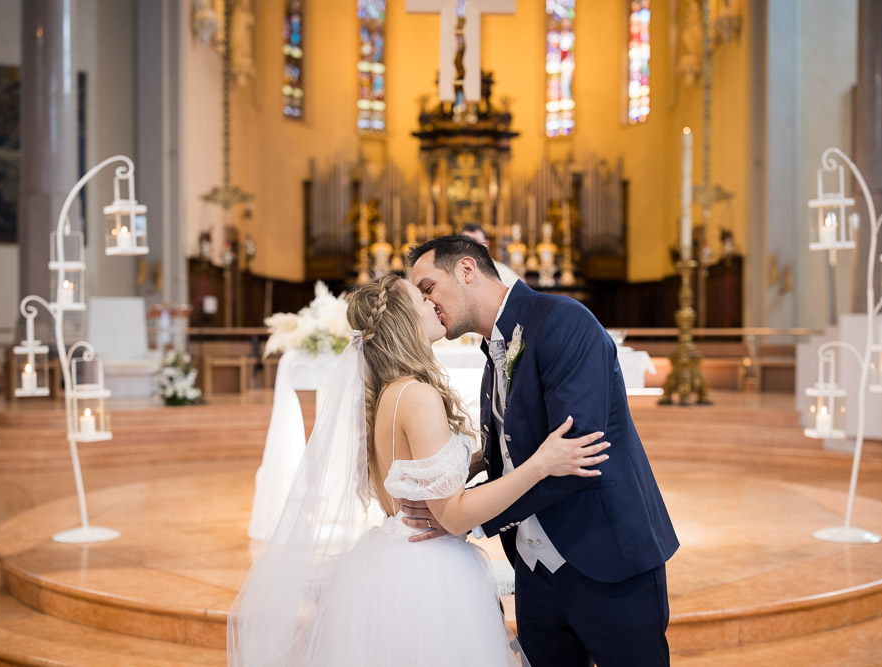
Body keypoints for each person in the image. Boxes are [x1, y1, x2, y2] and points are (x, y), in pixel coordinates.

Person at [227, 272, 610, 666]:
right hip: (428, 574)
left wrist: (479, 458)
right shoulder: (418, 396)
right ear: (404, 321)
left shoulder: (387, 395)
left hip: (391, 560)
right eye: (421, 299)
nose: (433, 303)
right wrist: (541, 463)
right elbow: (454, 515)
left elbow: (417, 476)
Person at [408, 235, 680, 667]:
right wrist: (453, 498)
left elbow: (577, 457)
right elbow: (514, 459)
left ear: (466, 270)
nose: (426, 303)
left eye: (427, 288)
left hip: (607, 561)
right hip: (535, 573)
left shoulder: (562, 322)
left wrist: (463, 517)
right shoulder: (493, 352)